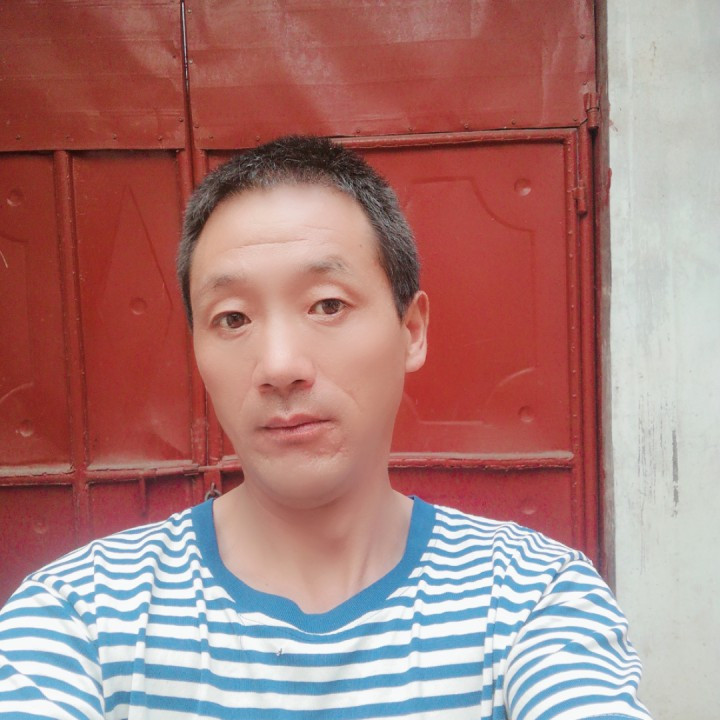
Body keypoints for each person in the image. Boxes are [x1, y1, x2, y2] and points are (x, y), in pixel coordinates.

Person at [0, 136, 651, 719]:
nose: (280, 366)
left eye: (328, 304)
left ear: (411, 330)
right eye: (232, 318)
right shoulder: (83, 614)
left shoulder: (529, 598)